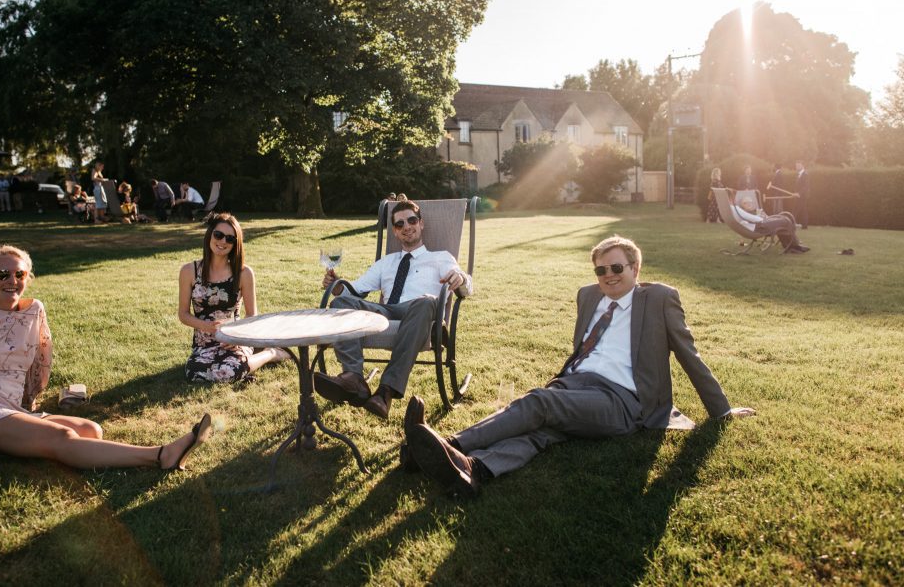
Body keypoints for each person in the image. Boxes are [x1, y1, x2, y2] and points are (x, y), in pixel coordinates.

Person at [403, 235, 756, 498]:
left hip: (623, 402)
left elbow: (689, 355)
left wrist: (721, 411)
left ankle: (446, 445)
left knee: (539, 404)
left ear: (635, 269)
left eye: (617, 268)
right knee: (542, 431)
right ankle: (472, 470)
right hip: (576, 383)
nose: (608, 275)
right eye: (602, 269)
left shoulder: (660, 299)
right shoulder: (588, 295)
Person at [0, 245, 214, 475]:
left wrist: (30, 405)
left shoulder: (35, 311)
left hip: (7, 406)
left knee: (91, 430)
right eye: (3, 275)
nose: (11, 281)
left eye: (19, 274)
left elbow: (39, 363)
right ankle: (160, 455)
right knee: (60, 436)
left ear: (28, 278)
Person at [314, 198, 472, 420]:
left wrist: (461, 278)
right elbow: (354, 291)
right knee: (340, 304)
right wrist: (336, 284)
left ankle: (386, 391)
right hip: (386, 311)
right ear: (395, 232)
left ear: (421, 223)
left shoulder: (440, 258)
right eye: (399, 225)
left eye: (412, 220)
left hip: (420, 313)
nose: (407, 227)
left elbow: (466, 287)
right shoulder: (385, 263)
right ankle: (353, 378)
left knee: (426, 301)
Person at [178, 212, 291, 383]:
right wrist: (207, 327)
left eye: (230, 239)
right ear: (210, 235)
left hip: (235, 338)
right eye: (219, 235)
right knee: (194, 372)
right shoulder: (189, 271)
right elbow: (183, 314)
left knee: (230, 371)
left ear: (235, 244)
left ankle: (272, 353)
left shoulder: (244, 273)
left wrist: (235, 334)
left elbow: (252, 316)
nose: (223, 241)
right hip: (204, 343)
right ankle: (262, 352)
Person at [730, 194, 808, 253]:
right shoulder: (736, 208)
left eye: (750, 202)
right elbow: (750, 218)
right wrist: (763, 219)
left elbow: (747, 218)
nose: (749, 204)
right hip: (760, 227)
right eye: (746, 203)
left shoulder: (731, 209)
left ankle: (790, 246)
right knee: (785, 220)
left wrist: (763, 218)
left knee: (782, 220)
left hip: (756, 226)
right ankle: (795, 246)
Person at [794, 160, 809, 229]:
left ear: (802, 165)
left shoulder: (805, 174)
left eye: (798, 165)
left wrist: (799, 193)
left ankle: (791, 224)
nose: (796, 167)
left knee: (796, 210)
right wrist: (795, 193)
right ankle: (804, 226)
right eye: (796, 165)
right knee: (803, 210)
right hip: (798, 195)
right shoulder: (798, 174)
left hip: (802, 196)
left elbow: (806, 186)